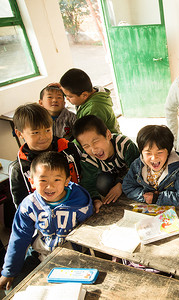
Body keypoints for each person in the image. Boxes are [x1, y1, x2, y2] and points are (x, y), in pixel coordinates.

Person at [0, 151, 93, 290]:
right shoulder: (29, 206)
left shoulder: (79, 200)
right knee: (14, 287)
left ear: (67, 180)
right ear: (32, 181)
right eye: (43, 180)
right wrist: (9, 271)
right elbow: (19, 238)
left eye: (57, 180)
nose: (50, 187)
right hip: (41, 255)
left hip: (74, 256)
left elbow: (91, 229)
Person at [9, 103, 82, 209]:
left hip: (81, 205)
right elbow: (21, 204)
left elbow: (86, 175)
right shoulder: (19, 169)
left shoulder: (69, 149)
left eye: (47, 130)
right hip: (46, 218)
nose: (43, 137)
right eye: (35, 132)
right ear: (20, 134)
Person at [73, 115, 139, 210]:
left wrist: (120, 185)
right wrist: (95, 199)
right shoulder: (88, 158)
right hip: (109, 177)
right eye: (86, 146)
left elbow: (136, 168)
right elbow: (88, 183)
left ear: (108, 135)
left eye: (95, 141)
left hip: (127, 174)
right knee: (102, 184)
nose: (93, 149)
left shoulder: (124, 145)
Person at [122, 125, 179, 206]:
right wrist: (144, 196)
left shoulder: (177, 169)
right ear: (141, 152)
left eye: (159, 152)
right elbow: (127, 187)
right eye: (148, 153)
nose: (154, 157)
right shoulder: (137, 165)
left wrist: (157, 198)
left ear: (168, 152)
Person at [59, 68, 120, 134]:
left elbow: (87, 135)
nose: (67, 98)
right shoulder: (92, 93)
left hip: (108, 141)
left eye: (69, 96)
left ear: (84, 95)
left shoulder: (94, 109)